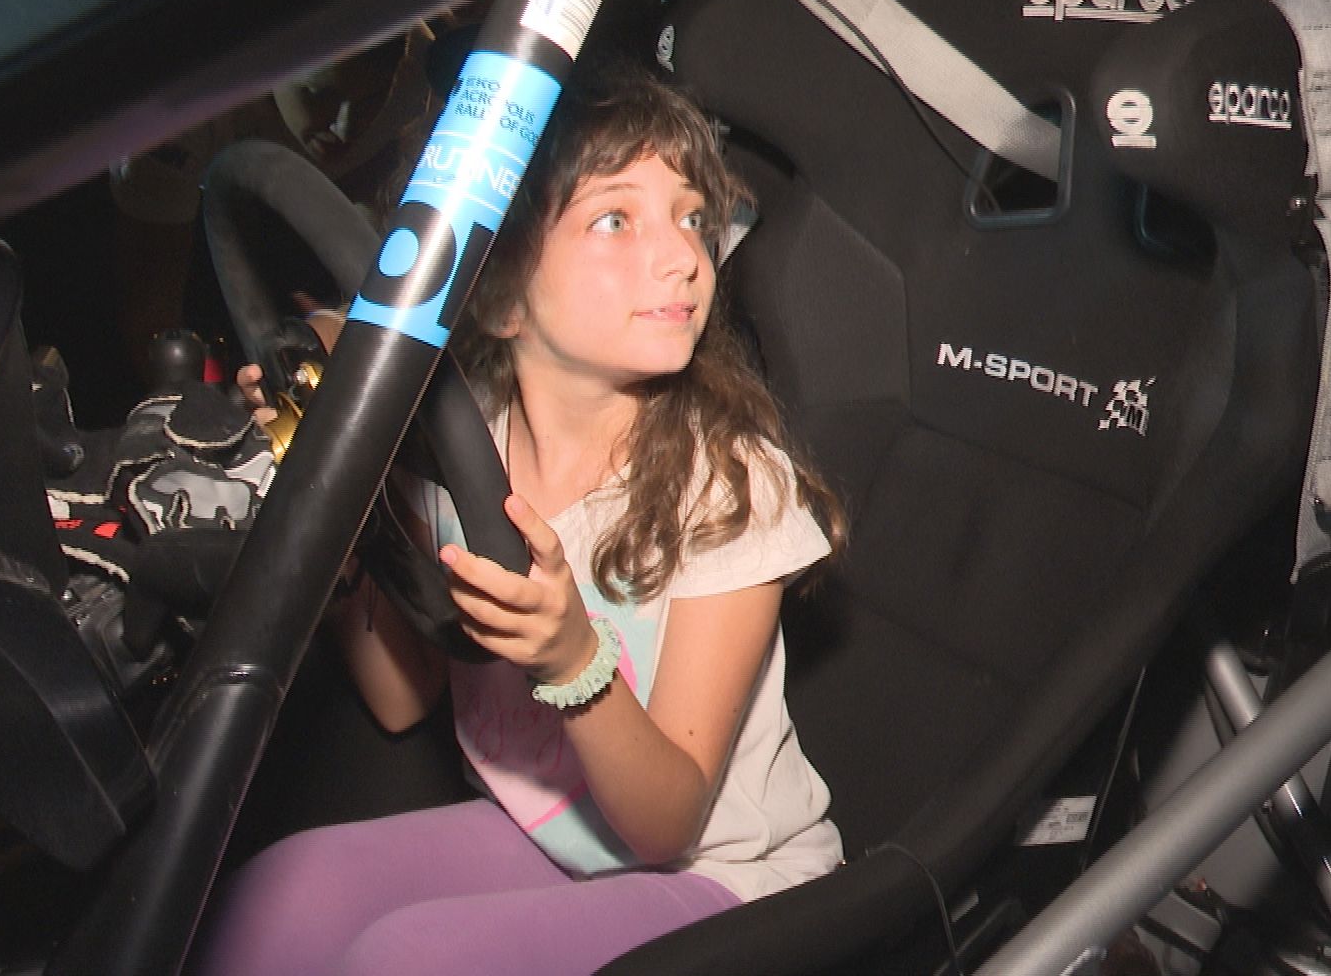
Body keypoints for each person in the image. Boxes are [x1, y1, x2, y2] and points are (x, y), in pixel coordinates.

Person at [193, 62, 847, 976]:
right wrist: (335, 525)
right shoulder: (460, 448)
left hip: (727, 880)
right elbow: (403, 700)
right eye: (616, 219)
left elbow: (668, 823)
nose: (685, 257)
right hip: (544, 834)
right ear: (499, 294)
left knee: (406, 962)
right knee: (272, 900)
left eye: (693, 217)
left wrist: (574, 659)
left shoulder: (730, 487)